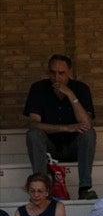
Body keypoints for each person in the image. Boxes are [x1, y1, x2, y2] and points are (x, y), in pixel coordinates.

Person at [24, 55, 96, 200]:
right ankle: (42, 188)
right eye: (52, 72)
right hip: (48, 147)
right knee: (33, 134)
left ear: (70, 72)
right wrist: (67, 128)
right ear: (48, 72)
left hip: (74, 147)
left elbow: (86, 123)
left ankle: (85, 188)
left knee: (89, 133)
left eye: (61, 73)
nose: (56, 77)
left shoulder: (81, 88)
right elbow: (33, 123)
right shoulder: (38, 88)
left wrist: (70, 94)